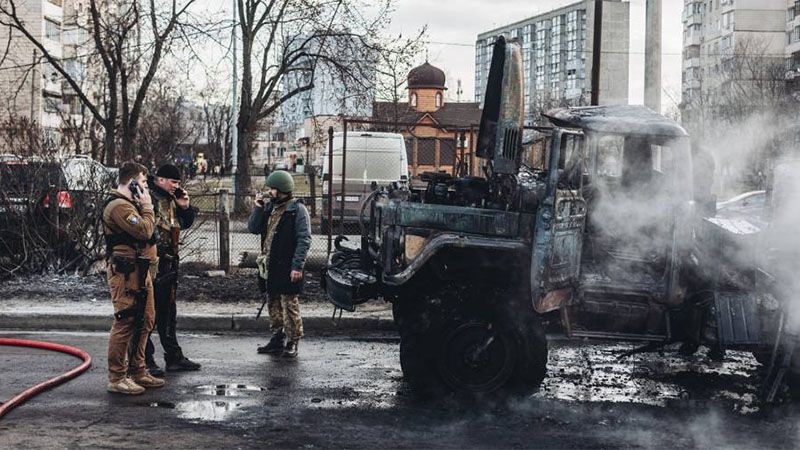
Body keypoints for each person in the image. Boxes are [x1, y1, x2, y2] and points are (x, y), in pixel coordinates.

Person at [102, 161, 165, 395]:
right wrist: (147, 206)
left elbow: (150, 232)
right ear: (132, 183)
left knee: (147, 318)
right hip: (125, 273)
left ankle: (138, 369)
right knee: (126, 320)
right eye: (143, 183)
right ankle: (117, 376)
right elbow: (145, 230)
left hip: (141, 270)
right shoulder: (119, 206)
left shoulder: (132, 205)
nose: (146, 188)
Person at [138, 164, 201, 375]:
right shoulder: (148, 198)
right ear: (161, 180)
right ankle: (145, 359)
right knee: (147, 313)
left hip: (169, 262)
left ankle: (173, 356)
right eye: (173, 182)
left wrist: (184, 206)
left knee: (168, 312)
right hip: (151, 263)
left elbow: (184, 223)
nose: (176, 186)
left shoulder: (171, 199)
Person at [248, 170, 311, 357]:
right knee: (273, 302)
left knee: (289, 304)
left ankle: (293, 340)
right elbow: (253, 228)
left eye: (272, 189)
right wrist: (258, 208)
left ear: (281, 190)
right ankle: (277, 337)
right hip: (269, 265)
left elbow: (304, 239)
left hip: (287, 265)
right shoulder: (270, 208)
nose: (269, 192)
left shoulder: (297, 210)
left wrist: (297, 266)